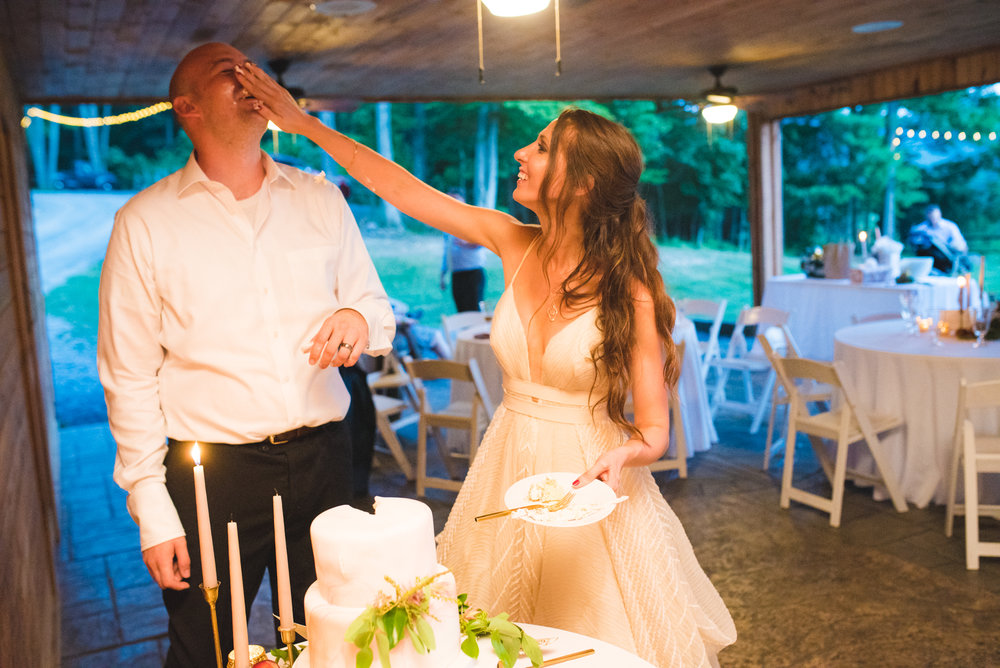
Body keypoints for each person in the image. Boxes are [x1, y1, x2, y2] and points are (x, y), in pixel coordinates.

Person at [236, 62, 737, 666]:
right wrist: (304, 125)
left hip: (585, 487)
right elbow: (403, 190)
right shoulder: (510, 240)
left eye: (544, 147)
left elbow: (655, 430)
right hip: (508, 465)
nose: (523, 152)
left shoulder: (629, 292)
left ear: (583, 184)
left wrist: (626, 454)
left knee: (589, 639)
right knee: (493, 636)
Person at [97, 43, 395, 667]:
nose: (248, 78)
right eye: (225, 73)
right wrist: (152, 509)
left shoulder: (320, 198)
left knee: (337, 637)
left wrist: (355, 316)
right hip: (213, 477)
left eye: (249, 67)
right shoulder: (144, 223)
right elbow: (128, 378)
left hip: (325, 460)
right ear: (187, 107)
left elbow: (375, 305)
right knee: (206, 648)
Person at [440, 191, 488, 312]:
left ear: (463, 202)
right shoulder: (446, 225)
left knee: (474, 309)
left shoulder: (473, 220)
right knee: (461, 309)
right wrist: (443, 274)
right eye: (449, 200)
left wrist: (465, 244)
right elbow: (447, 251)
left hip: (473, 272)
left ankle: (479, 331)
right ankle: (465, 331)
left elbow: (484, 241)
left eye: (456, 200)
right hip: (456, 274)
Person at [907, 203, 968, 274]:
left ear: (939, 214)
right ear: (927, 216)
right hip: (928, 257)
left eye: (934, 217)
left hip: (946, 257)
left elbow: (960, 244)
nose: (933, 220)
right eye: (931, 217)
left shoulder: (950, 226)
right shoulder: (921, 228)